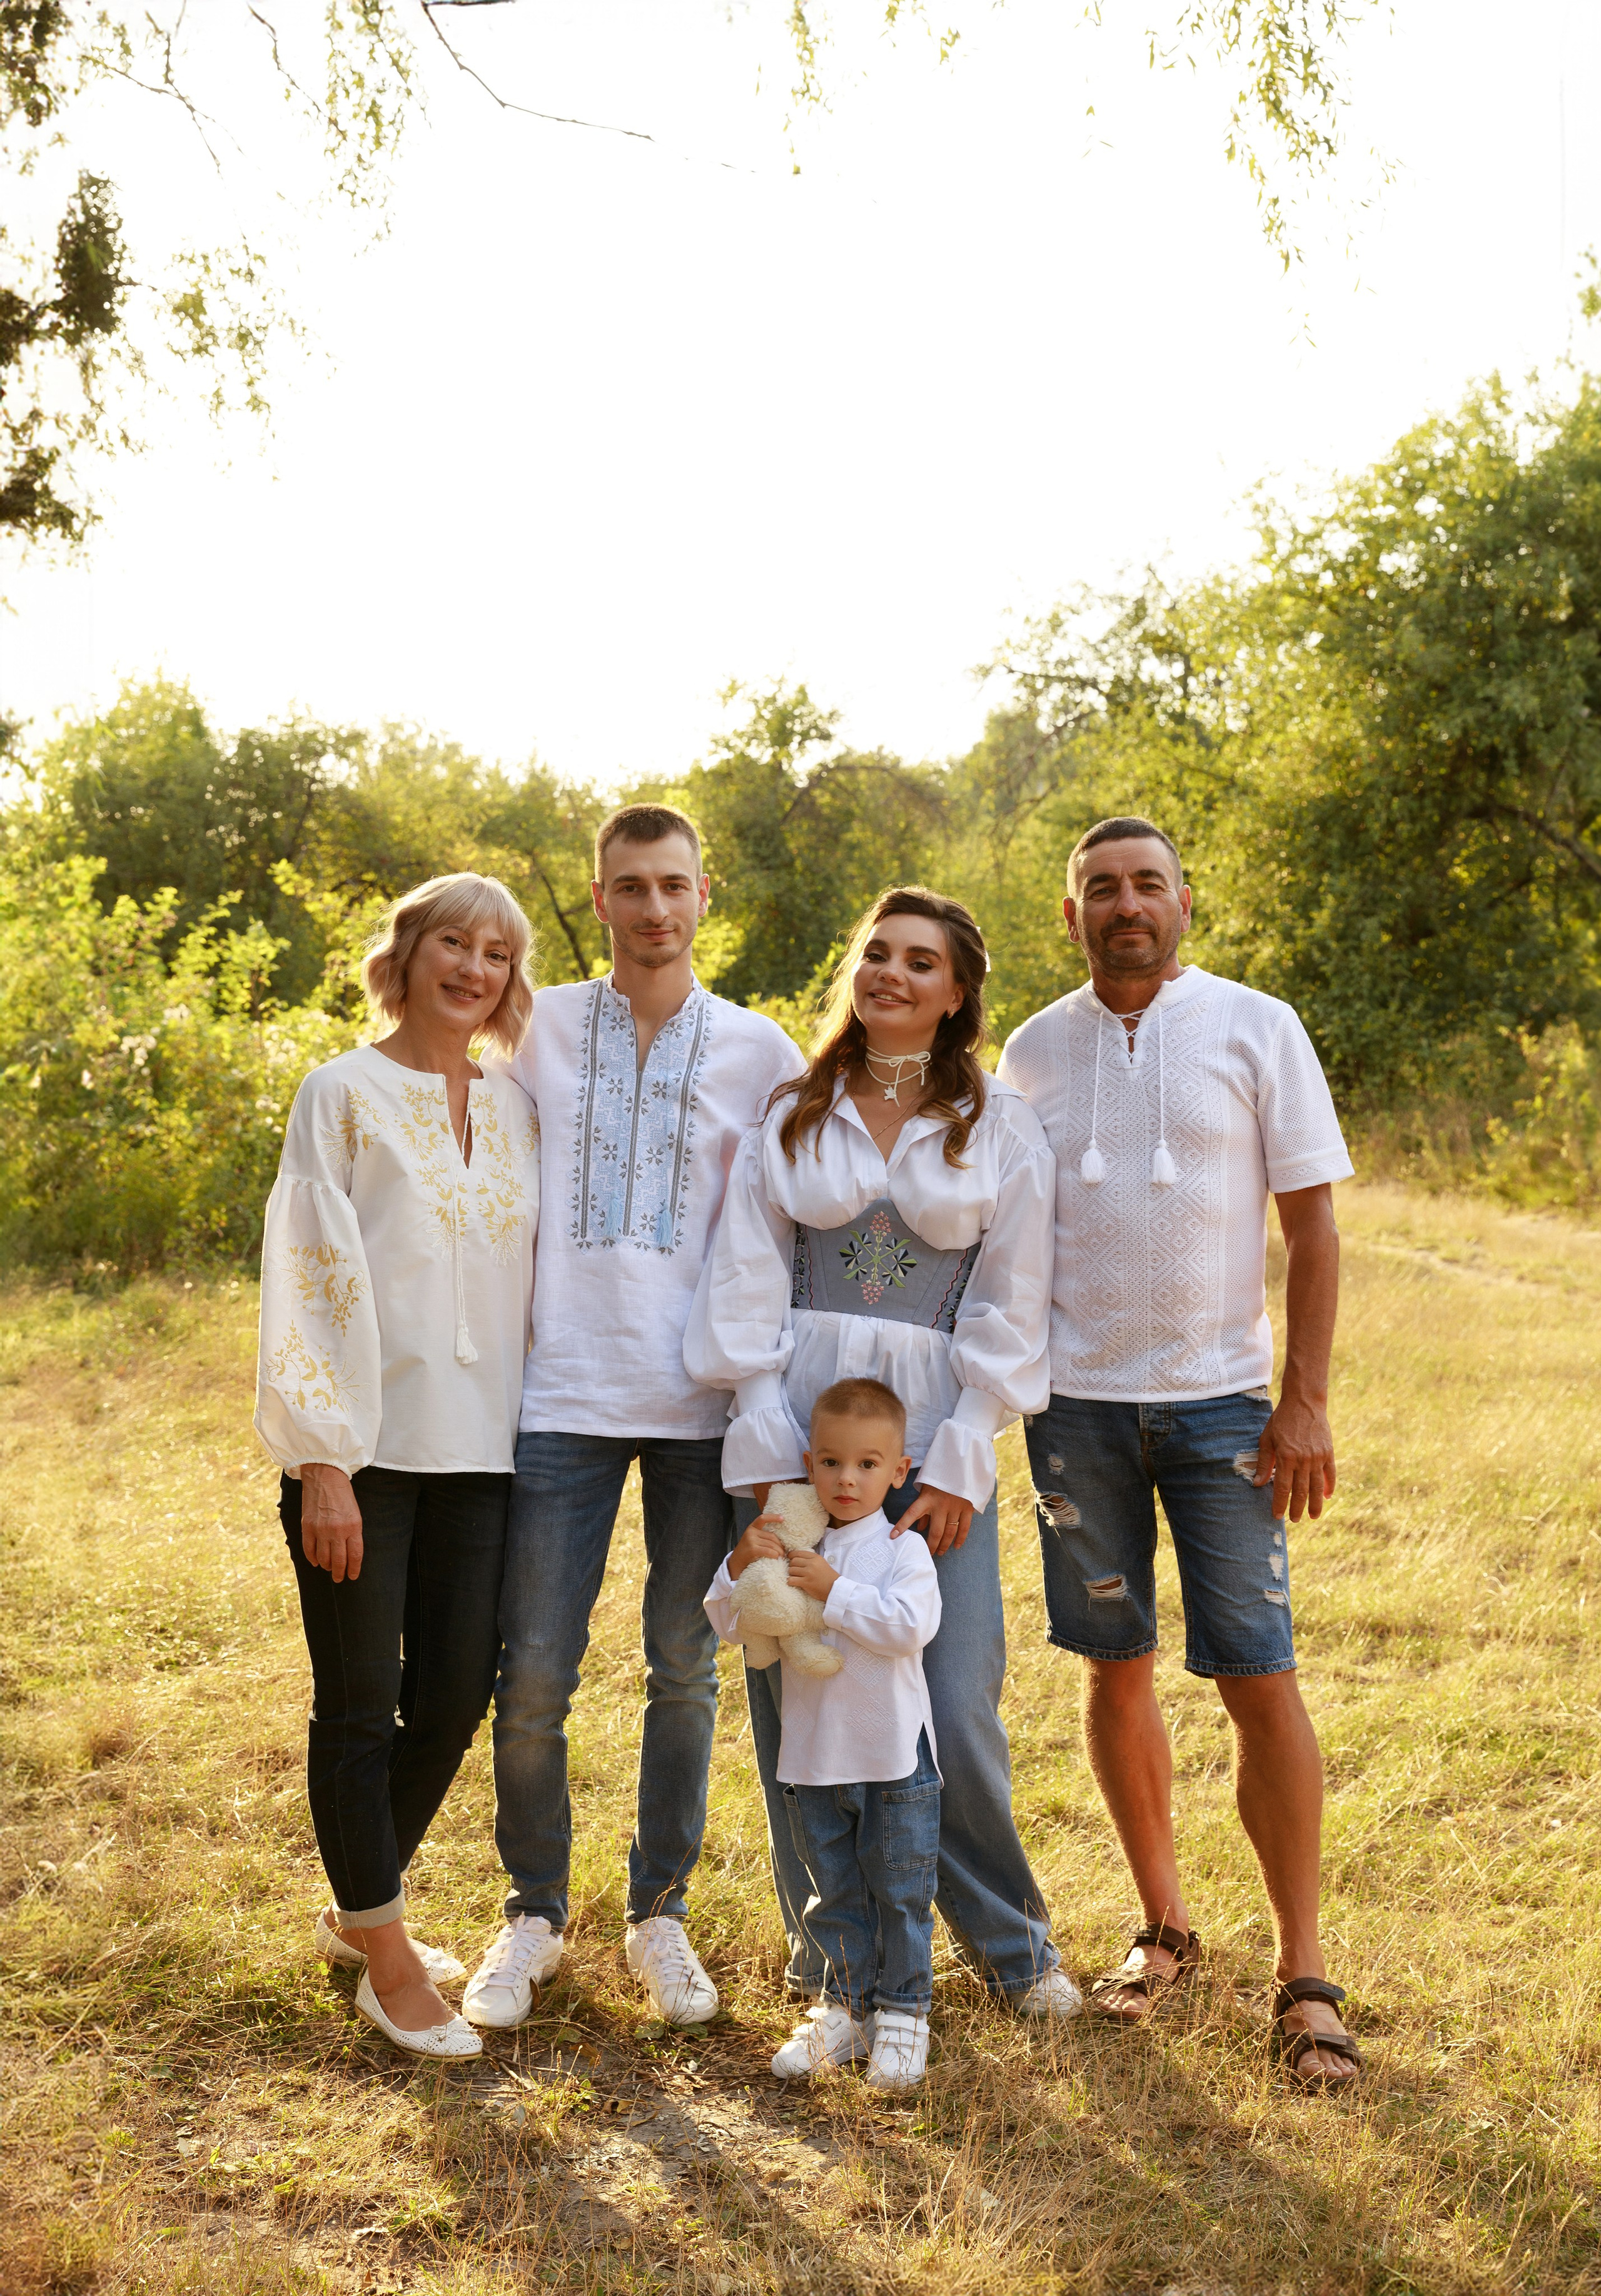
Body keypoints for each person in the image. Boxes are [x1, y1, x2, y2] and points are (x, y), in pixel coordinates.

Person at [999, 815, 1361, 2090]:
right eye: (1100, 887)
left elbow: (1313, 1227)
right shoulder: (1032, 1051)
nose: (1126, 904)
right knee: (1116, 1666)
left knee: (1259, 1672)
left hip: (1222, 1414)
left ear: (1183, 901)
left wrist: (1301, 1402)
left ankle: (1303, 1972)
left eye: (1146, 883)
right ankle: (1162, 1928)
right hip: (1074, 1412)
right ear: (1072, 914)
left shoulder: (1257, 1026)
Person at [685, 886, 1079, 2021]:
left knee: (951, 1699)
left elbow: (1015, 1296)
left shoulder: (1000, 1123)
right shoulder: (795, 1110)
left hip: (928, 1446)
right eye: (877, 954)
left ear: (956, 992)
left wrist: (961, 1450)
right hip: (801, 1439)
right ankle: (834, 1965)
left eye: (920, 961)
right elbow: (746, 1271)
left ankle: (1013, 1949)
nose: (892, 975)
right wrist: (767, 1440)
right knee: (798, 1700)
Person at [465, 804, 802, 2033]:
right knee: (534, 1668)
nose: (654, 906)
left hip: (701, 1408)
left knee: (683, 1666)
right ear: (598, 897)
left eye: (673, 884)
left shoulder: (762, 1051)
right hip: (558, 1394)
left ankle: (658, 1912)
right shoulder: (537, 1026)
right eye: (630, 886)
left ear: (705, 894)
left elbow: (796, 1219)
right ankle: (533, 1913)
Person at [255, 872, 540, 2061]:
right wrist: (322, 1462)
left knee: (458, 1694)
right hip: (364, 1456)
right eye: (451, 943)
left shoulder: (518, 1108)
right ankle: (385, 1954)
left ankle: (355, 1905)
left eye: (495, 952)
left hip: (484, 1453)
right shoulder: (342, 1093)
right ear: (408, 954)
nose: (472, 968)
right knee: (361, 1703)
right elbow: (308, 1274)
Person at [705, 1378, 941, 2093]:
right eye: (831, 1462)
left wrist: (833, 1589)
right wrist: (742, 1561)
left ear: (898, 1471)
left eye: (868, 1464)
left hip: (892, 1757)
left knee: (899, 1889)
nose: (847, 1478)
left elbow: (909, 1627)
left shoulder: (902, 1549)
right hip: (811, 1757)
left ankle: (904, 2010)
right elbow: (730, 1619)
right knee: (831, 1889)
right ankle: (846, 2007)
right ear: (808, 1465)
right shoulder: (788, 1547)